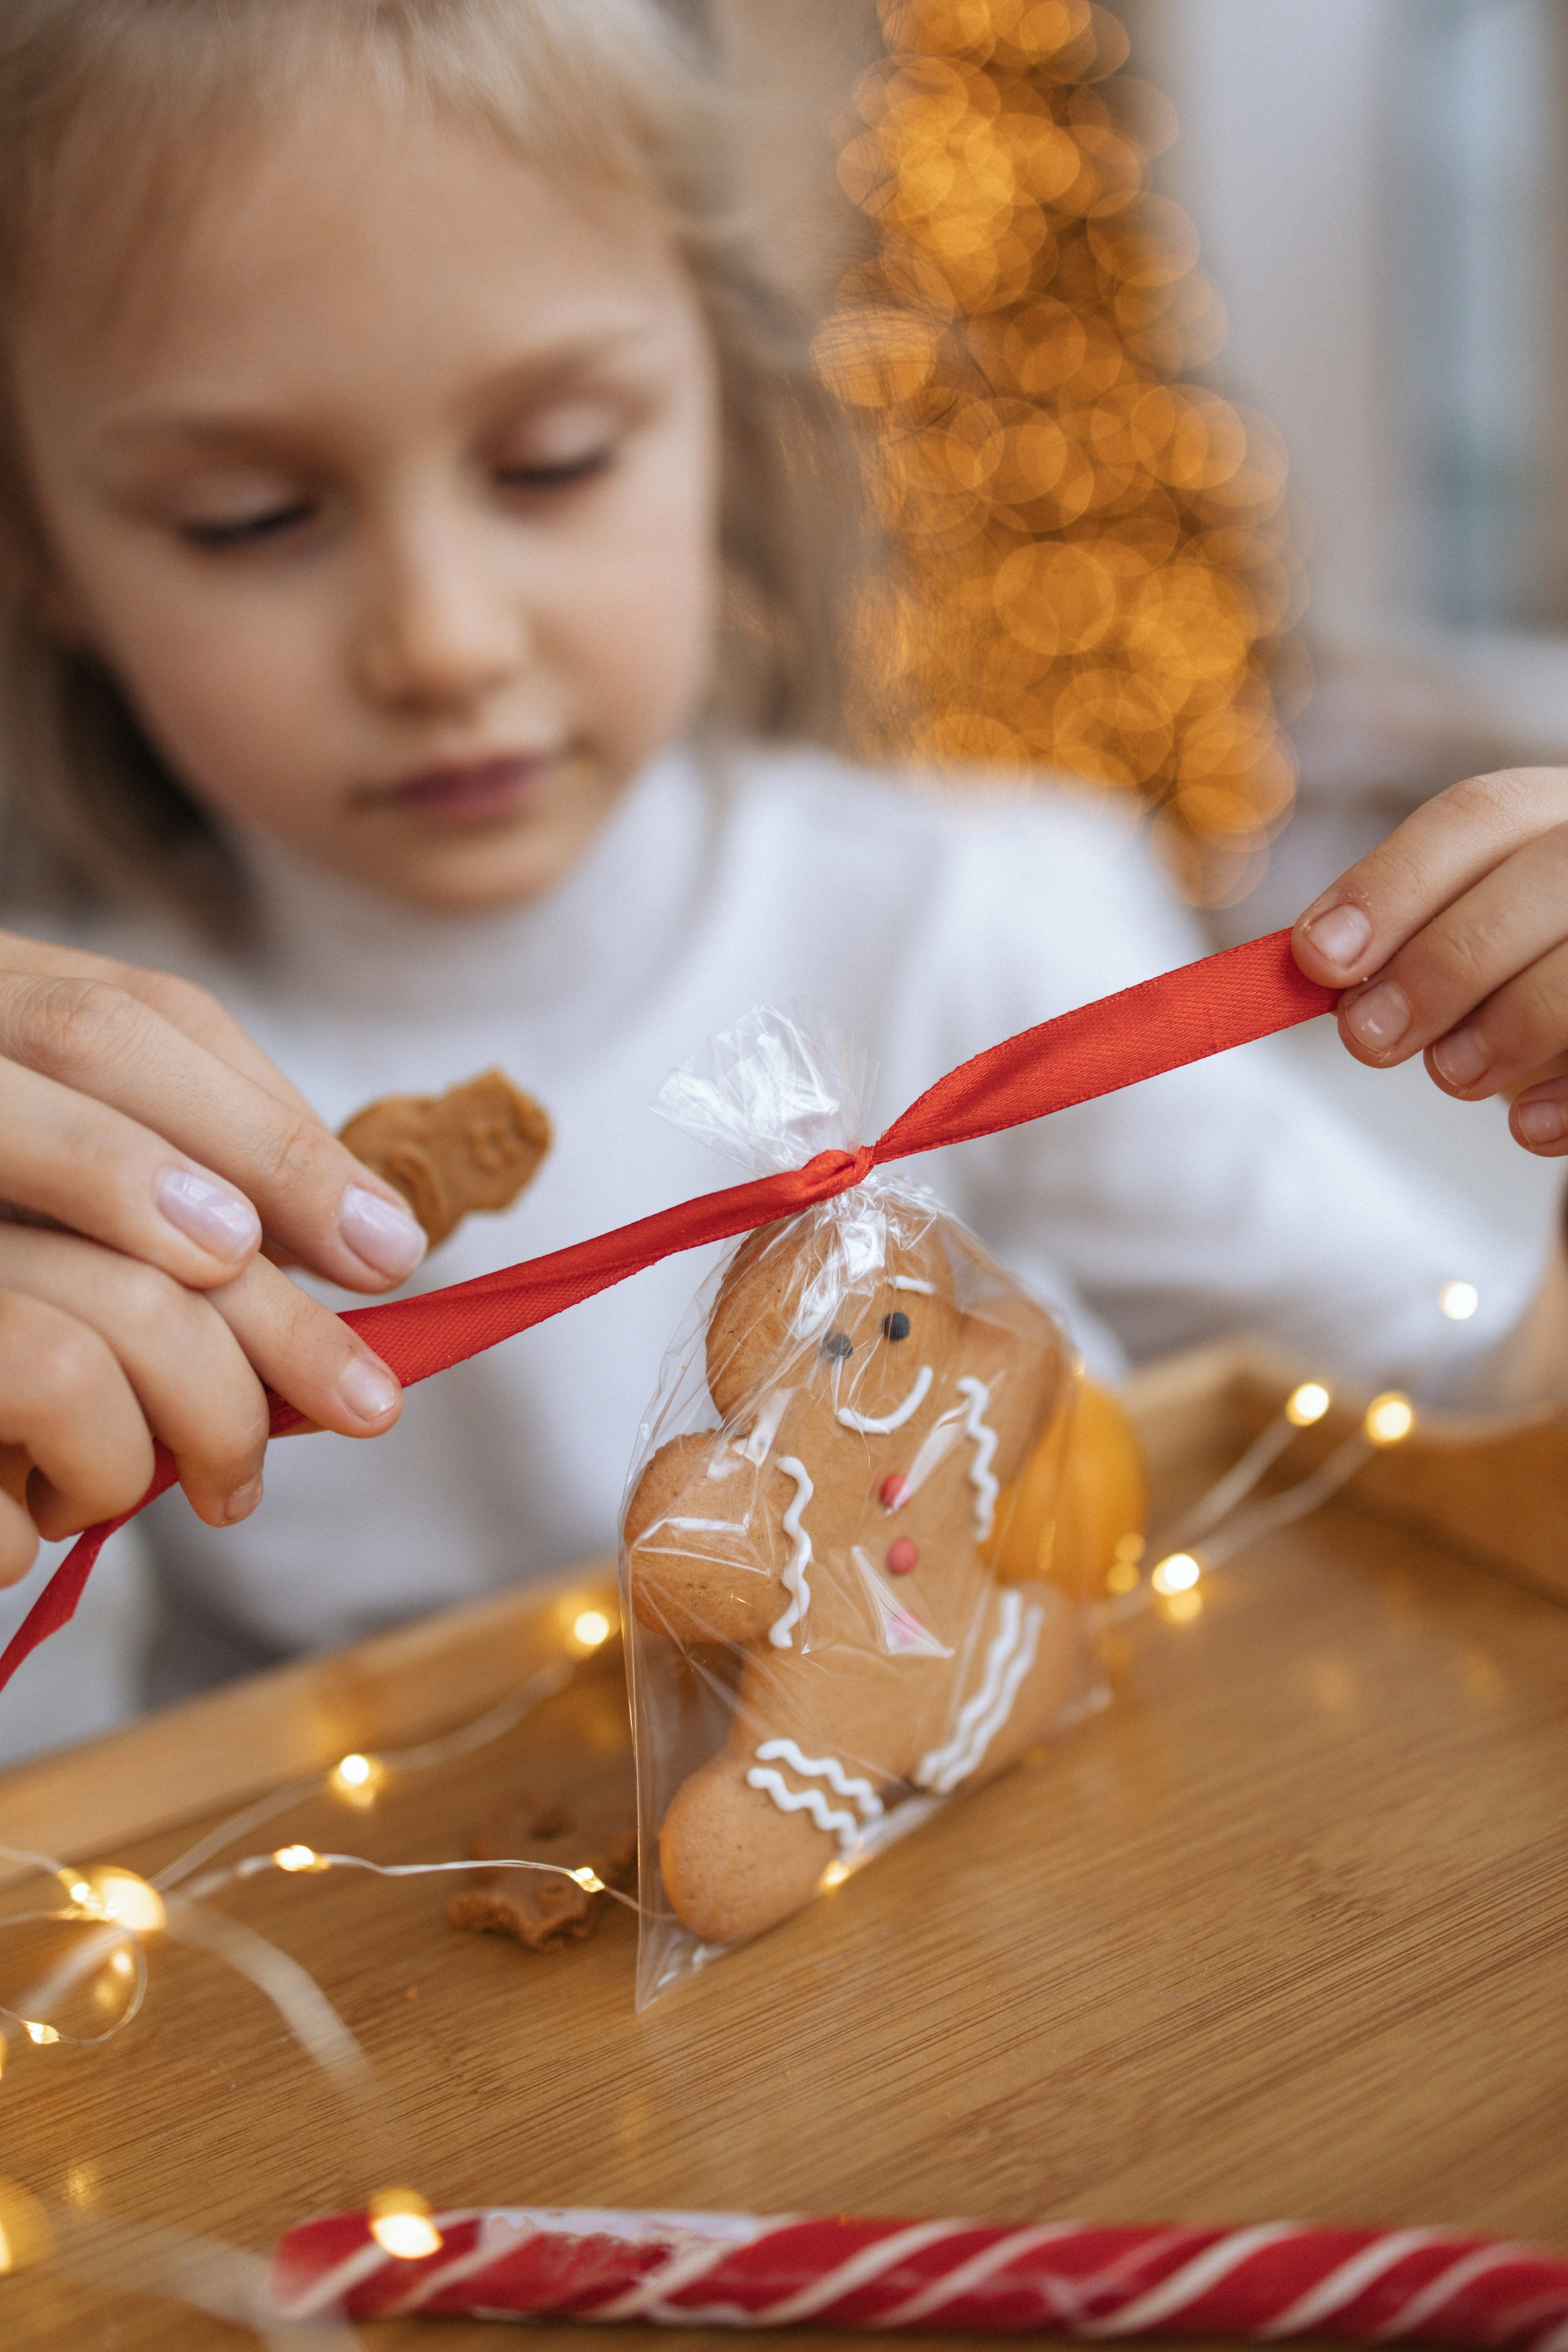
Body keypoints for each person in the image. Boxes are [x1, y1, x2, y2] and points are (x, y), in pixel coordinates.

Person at [1, 0, 1566, 1697]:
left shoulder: (975, 924)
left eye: (553, 463)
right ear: (44, 550)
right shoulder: (76, 1116)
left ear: (732, 423)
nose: (441, 642)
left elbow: (1476, 1403)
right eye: (251, 519)